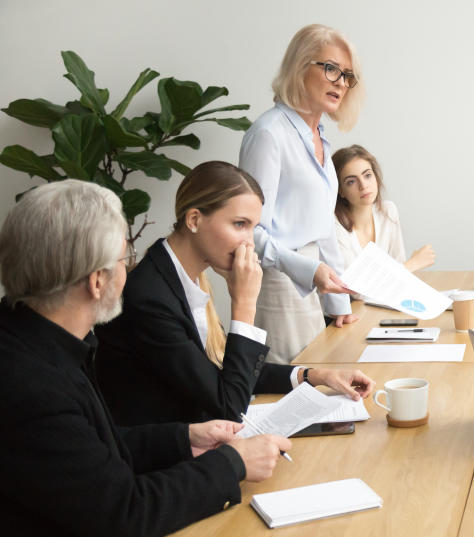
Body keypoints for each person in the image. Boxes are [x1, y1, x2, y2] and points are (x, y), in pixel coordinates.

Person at [0, 180, 291, 537]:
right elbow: (124, 511)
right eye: (125, 259)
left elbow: (92, 450)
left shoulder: (34, 338)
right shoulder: (31, 382)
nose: (130, 269)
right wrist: (233, 464)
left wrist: (183, 439)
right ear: (98, 281)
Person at [95, 162, 375, 426]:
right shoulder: (150, 296)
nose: (249, 242)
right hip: (162, 462)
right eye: (240, 224)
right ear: (194, 219)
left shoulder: (187, 276)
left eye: (253, 228)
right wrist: (244, 304)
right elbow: (229, 405)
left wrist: (314, 376)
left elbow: (224, 369)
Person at [239, 24, 364, 364]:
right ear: (300, 66)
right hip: (279, 282)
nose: (341, 82)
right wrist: (308, 271)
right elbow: (249, 231)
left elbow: (323, 229)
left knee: (324, 382)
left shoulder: (321, 136)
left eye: (347, 75)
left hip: (314, 280)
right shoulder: (269, 134)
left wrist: (339, 305)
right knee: (291, 389)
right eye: (331, 68)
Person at [332, 145, 435, 272]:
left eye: (367, 175)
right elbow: (356, 290)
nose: (363, 185)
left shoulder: (388, 211)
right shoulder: (335, 227)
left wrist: (405, 268)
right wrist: (413, 264)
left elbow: (399, 271)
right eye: (351, 182)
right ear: (340, 191)